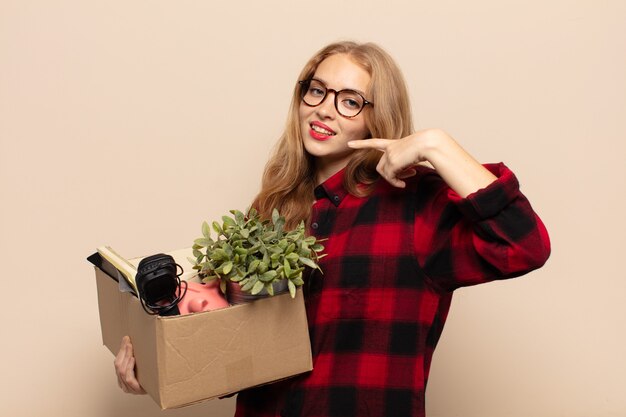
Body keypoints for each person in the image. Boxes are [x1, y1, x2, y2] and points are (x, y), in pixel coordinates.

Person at [115, 41, 551, 417]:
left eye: (350, 100)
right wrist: (157, 367)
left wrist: (437, 145)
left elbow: (524, 244)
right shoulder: (267, 215)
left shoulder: (419, 205)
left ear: (377, 117)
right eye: (317, 90)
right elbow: (238, 353)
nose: (324, 108)